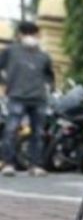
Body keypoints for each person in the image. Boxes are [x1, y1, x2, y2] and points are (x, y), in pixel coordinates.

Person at [0, 21, 55, 177]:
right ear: (20, 35)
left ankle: (35, 165)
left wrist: (50, 87)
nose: (30, 37)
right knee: (11, 130)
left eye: (33, 34)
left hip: (39, 98)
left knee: (37, 133)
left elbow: (50, 75)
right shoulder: (10, 51)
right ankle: (8, 164)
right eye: (27, 34)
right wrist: (4, 83)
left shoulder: (43, 55)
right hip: (16, 96)